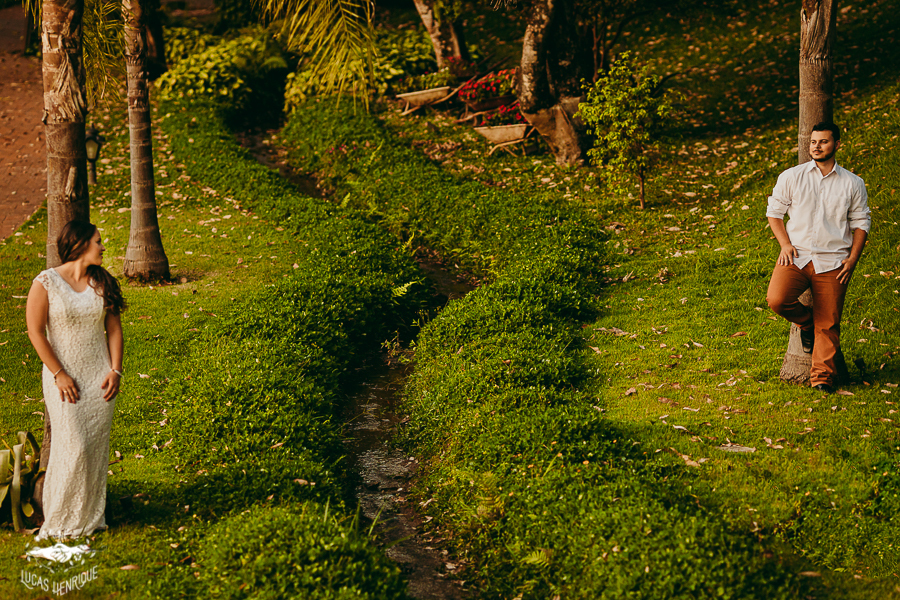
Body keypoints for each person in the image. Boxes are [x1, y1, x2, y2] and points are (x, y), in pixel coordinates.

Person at [26, 221, 126, 540]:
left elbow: (114, 330)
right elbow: (35, 332)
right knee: (73, 445)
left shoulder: (102, 282)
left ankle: (90, 518)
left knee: (94, 449)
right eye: (99, 241)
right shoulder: (46, 282)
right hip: (63, 379)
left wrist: (116, 370)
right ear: (82, 243)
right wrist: (59, 373)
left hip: (99, 378)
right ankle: (58, 520)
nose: (103, 246)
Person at [765, 122, 871, 394]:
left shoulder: (853, 183)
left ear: (836, 145)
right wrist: (785, 244)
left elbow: (861, 223)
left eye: (823, 141)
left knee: (830, 322)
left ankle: (822, 378)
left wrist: (852, 260)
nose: (816, 146)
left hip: (834, 262)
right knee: (777, 299)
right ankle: (806, 322)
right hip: (796, 257)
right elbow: (774, 213)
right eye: (813, 141)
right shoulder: (792, 176)